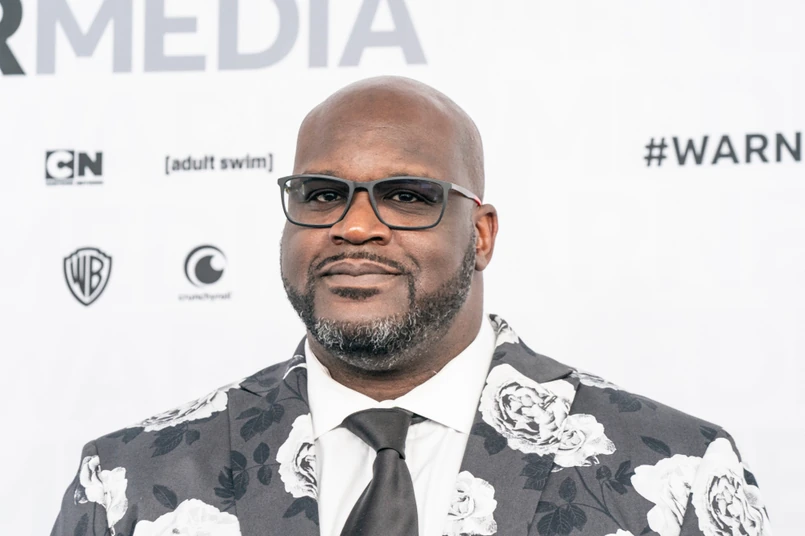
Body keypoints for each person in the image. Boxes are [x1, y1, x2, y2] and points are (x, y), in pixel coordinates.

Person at [51, 77, 772, 536]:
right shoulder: (129, 482)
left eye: (406, 196)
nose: (356, 226)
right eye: (322, 194)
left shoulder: (676, 470)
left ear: (480, 234)